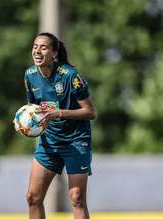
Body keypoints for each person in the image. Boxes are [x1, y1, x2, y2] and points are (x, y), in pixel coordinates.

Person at [23, 32, 97, 219]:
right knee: (33, 197)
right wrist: (25, 122)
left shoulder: (70, 76)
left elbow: (90, 112)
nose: (37, 51)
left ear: (54, 53)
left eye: (44, 47)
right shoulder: (30, 75)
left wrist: (61, 113)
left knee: (77, 198)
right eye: (35, 46)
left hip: (75, 142)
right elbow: (34, 109)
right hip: (49, 143)